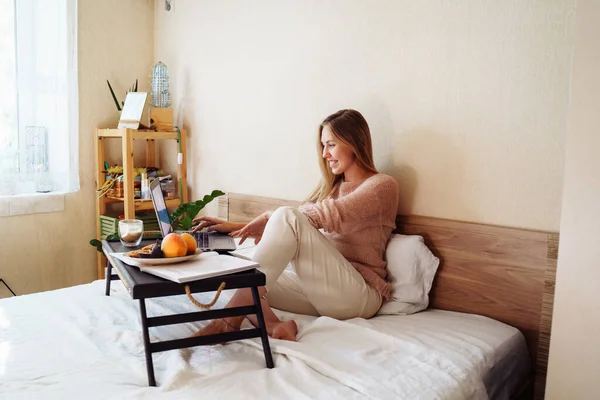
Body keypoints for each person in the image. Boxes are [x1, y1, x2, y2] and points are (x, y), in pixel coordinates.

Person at [191, 109, 399, 341]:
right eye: (323, 146)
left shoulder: (382, 186)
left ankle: (228, 321)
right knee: (238, 276)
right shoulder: (333, 187)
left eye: (331, 145)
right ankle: (274, 326)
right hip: (322, 291)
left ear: (353, 143)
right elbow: (297, 223)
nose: (324, 154)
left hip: (359, 296)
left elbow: (319, 216)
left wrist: (272, 219)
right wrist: (233, 226)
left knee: (288, 218)